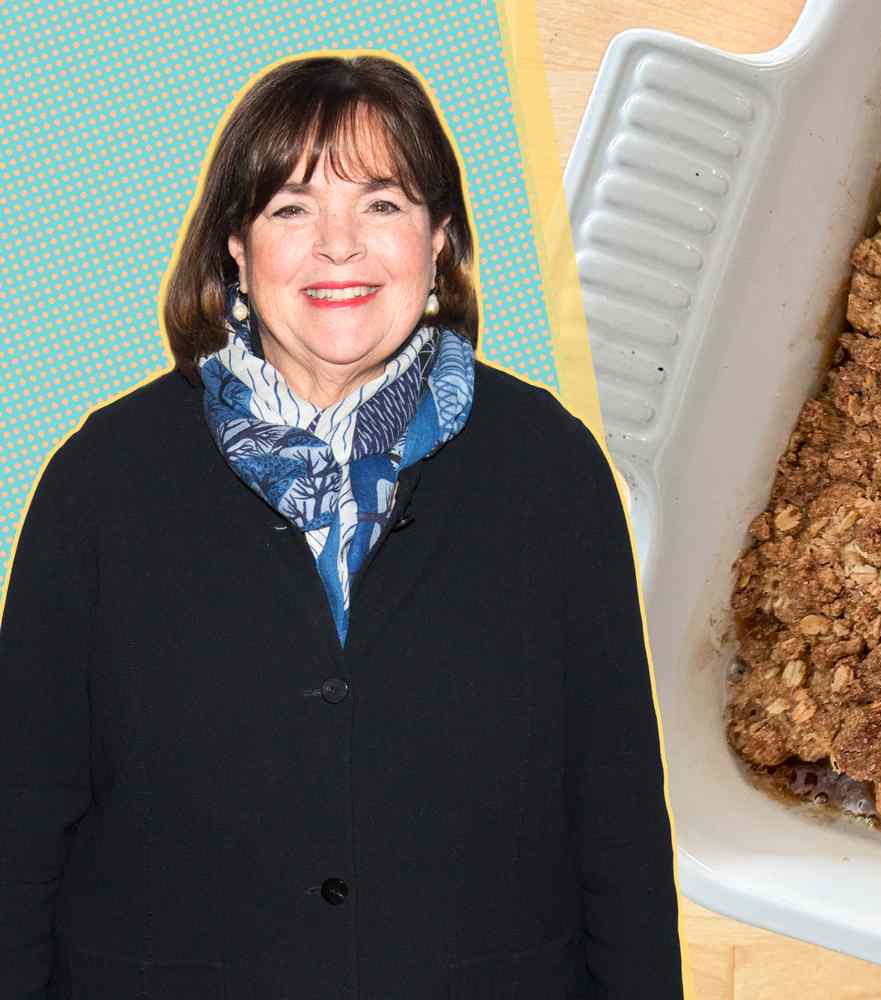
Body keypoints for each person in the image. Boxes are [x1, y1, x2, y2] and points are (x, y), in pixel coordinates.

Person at [0, 54, 684, 999]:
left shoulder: (551, 473)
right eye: (290, 208)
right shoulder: (102, 482)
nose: (338, 248)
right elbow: (18, 820)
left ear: (441, 240)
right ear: (234, 249)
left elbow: (618, 824)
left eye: (383, 204)